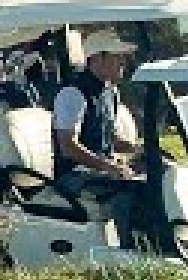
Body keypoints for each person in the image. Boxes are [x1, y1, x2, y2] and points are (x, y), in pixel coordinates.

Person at [50, 30, 143, 242]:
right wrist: (108, 166)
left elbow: (110, 139)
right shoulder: (73, 93)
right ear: (98, 58)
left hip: (97, 170)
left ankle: (155, 241)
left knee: (154, 177)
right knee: (127, 190)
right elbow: (68, 146)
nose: (123, 62)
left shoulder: (111, 92)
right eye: (117, 56)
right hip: (72, 176)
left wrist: (138, 149)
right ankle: (128, 249)